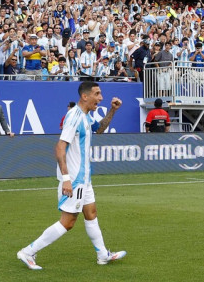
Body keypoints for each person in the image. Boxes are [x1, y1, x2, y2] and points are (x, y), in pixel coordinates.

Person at [17, 82, 126, 270]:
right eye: (97, 94)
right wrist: (66, 178)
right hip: (75, 179)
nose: (101, 98)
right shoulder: (74, 116)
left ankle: (102, 255)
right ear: (85, 96)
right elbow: (60, 147)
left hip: (84, 178)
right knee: (68, 222)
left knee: (91, 214)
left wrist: (112, 111)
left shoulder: (85, 116)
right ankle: (27, 252)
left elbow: (98, 129)